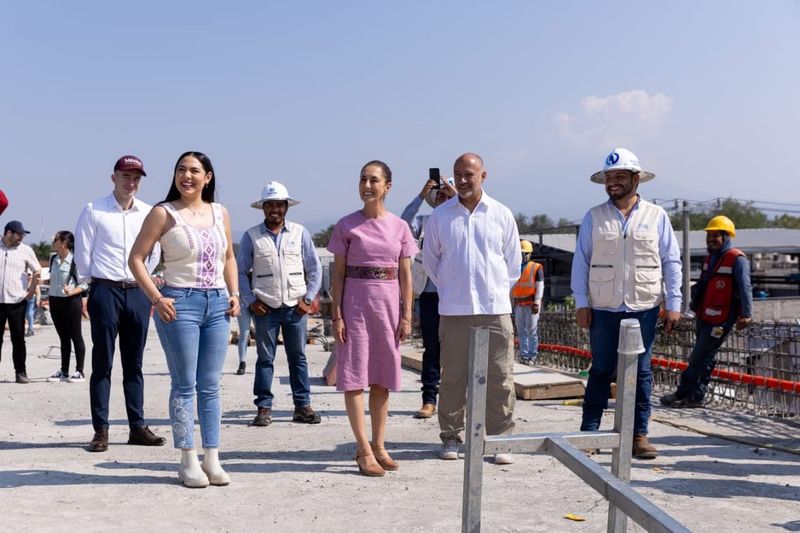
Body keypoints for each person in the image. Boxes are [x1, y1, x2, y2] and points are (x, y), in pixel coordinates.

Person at [130, 151, 240, 488]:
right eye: (181, 170)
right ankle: (187, 458)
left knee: (211, 386)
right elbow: (136, 259)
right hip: (180, 304)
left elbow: (230, 257)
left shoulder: (220, 213)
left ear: (208, 177)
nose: (186, 176)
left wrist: (234, 293)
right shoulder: (163, 213)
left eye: (194, 170)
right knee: (185, 384)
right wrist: (157, 297)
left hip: (218, 304)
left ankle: (212, 456)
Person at [571, 148, 682, 460]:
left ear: (636, 178)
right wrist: (582, 301)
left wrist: (674, 301)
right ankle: (589, 432)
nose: (613, 183)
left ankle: (638, 435)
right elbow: (581, 261)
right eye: (609, 178)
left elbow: (671, 261)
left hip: (643, 307)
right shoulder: (595, 216)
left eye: (620, 176)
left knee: (641, 371)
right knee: (602, 370)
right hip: (605, 308)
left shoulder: (656, 217)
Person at [422, 153, 520, 465]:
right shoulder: (440, 217)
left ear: (483, 176)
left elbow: (513, 264)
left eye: (469, 175)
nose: (463, 181)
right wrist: (454, 289)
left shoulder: (501, 214)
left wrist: (492, 291)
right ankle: (451, 436)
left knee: (500, 377)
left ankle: (500, 438)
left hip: (495, 309)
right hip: (453, 310)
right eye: (457, 175)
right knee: (452, 377)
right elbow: (432, 262)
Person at [328, 160, 418, 477]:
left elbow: (407, 276)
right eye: (363, 179)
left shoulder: (401, 227)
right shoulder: (346, 225)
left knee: (382, 378)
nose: (367, 185)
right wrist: (336, 315)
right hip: (354, 306)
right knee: (353, 378)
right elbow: (337, 275)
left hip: (387, 307)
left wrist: (406, 315)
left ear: (387, 186)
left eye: (374, 180)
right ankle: (363, 449)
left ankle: (380, 445)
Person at [74, 154, 166, 452]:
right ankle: (101, 430)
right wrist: (92, 287)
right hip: (105, 290)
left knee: (134, 364)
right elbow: (83, 254)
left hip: (137, 290)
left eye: (137, 177)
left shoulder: (149, 212)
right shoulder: (94, 210)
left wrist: (144, 280)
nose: (131, 182)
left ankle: (137, 427)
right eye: (126, 176)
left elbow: (153, 253)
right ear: (113, 177)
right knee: (102, 363)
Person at [238, 181, 322, 426]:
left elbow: (314, 268)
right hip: (265, 307)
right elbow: (241, 272)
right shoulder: (251, 236)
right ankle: (264, 407)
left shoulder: (300, 233)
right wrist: (251, 301)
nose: (274, 209)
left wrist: (309, 299)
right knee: (265, 358)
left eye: (279, 204)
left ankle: (302, 406)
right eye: (270, 205)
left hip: (296, 307)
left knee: (298, 357)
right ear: (263, 208)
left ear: (286, 207)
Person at [661, 216, 753, 408]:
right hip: (704, 316)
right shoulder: (710, 259)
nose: (710, 239)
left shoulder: (737, 259)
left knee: (699, 356)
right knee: (705, 357)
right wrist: (693, 307)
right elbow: (703, 285)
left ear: (726, 236)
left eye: (715, 236)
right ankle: (696, 395)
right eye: (709, 236)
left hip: (722, 319)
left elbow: (745, 288)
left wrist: (746, 314)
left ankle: (685, 392)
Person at [400, 174, 456, 419]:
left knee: (457, 350)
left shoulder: (462, 221)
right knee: (431, 348)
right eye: (440, 196)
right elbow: (403, 223)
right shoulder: (425, 222)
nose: (443, 200)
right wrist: (422, 195)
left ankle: (455, 400)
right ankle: (429, 399)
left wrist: (458, 198)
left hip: (457, 296)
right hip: (431, 296)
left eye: (448, 195)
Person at [0, 220, 41, 383]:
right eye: (19, 234)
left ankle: (21, 372)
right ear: (8, 233)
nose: (21, 237)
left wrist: (31, 291)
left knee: (18, 339)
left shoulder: (26, 250)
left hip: (17, 302)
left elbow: (37, 270)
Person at [46, 231, 88, 383]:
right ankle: (64, 371)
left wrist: (72, 291)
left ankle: (79, 371)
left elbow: (84, 284)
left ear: (63, 243)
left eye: (55, 239)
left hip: (71, 302)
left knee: (76, 336)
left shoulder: (76, 261)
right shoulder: (53, 259)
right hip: (54, 301)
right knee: (63, 338)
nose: (53, 240)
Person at [512, 240, 544, 364]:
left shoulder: (536, 267)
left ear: (530, 253)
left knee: (532, 330)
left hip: (531, 304)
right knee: (521, 331)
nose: (522, 255)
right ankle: (524, 355)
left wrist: (537, 302)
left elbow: (540, 286)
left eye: (524, 253)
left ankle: (532, 355)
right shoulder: (515, 268)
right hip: (519, 304)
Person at [235, 305, 253, 375]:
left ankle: (264, 361)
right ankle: (242, 362)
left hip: (259, 301)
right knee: (244, 333)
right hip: (243, 303)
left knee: (260, 334)